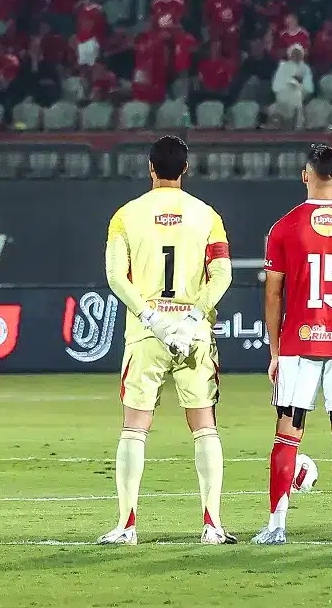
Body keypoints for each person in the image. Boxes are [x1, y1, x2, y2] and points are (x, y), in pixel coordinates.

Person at [98, 136, 234, 546]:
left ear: (150, 168)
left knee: (134, 427)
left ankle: (126, 526)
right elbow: (222, 275)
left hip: (146, 333)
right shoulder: (207, 215)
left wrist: (151, 318)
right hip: (194, 334)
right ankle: (212, 524)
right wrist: (191, 317)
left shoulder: (125, 216)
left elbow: (116, 276)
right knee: (204, 426)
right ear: (185, 168)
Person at [252, 146, 332, 546]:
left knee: (287, 434)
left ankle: (276, 525)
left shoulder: (284, 227)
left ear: (305, 175)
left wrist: (275, 351)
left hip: (298, 344)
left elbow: (273, 294)